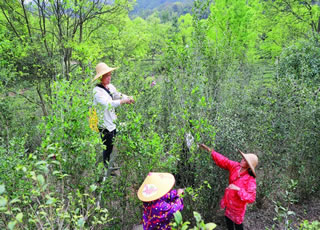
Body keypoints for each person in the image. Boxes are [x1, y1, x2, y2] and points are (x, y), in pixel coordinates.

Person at [199, 144, 258, 230]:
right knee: (228, 222)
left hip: (238, 209)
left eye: (245, 160)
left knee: (238, 226)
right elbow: (224, 161)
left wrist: (238, 189)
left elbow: (251, 198)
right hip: (229, 203)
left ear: (249, 165)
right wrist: (210, 151)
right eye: (243, 158)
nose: (242, 160)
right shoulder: (236, 166)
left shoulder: (250, 179)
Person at [92, 62, 134, 168]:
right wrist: (123, 101)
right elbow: (108, 104)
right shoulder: (97, 92)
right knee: (107, 147)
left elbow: (116, 95)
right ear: (101, 77)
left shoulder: (110, 87)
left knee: (111, 145)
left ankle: (108, 164)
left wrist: (127, 97)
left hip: (112, 122)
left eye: (110, 75)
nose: (109, 78)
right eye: (106, 76)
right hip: (104, 124)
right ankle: (105, 168)